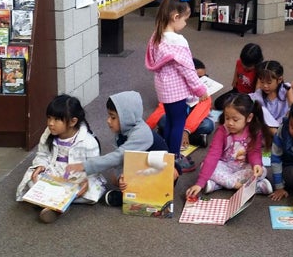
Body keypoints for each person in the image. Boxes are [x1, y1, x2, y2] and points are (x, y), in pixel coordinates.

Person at [64, 91, 179, 207]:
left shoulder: (142, 134)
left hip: (163, 171)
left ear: (127, 117)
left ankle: (134, 197)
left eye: (113, 117)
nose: (108, 121)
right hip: (143, 166)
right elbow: (122, 161)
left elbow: (118, 156)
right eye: (109, 116)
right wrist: (121, 177)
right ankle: (135, 193)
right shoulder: (122, 132)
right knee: (116, 179)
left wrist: (85, 165)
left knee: (153, 187)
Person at [15, 94, 107, 223]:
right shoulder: (48, 133)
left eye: (56, 119)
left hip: (76, 175)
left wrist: (86, 180)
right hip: (54, 171)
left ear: (73, 121)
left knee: (92, 189)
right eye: (49, 118)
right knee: (32, 177)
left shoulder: (88, 141)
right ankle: (59, 203)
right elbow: (42, 154)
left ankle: (49, 202)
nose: (50, 123)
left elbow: (94, 166)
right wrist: (40, 165)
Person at [145, 0, 208, 172]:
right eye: (185, 19)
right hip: (176, 91)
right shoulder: (177, 41)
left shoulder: (156, 36)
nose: (185, 23)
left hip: (163, 89)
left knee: (171, 121)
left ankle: (167, 154)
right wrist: (200, 90)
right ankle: (173, 160)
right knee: (178, 125)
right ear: (175, 16)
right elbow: (188, 70)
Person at [185, 93, 273, 197]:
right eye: (227, 118)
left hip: (243, 167)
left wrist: (256, 164)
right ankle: (247, 187)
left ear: (249, 117)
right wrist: (200, 183)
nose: (230, 123)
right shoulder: (222, 131)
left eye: (235, 120)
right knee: (205, 165)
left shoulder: (254, 131)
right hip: (224, 166)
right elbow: (213, 156)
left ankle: (219, 184)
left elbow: (254, 152)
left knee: (262, 171)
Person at [146, 58, 215, 149]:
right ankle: (195, 139)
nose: (200, 81)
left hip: (192, 123)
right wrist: (145, 129)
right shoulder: (175, 88)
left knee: (208, 125)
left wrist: (186, 131)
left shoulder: (204, 93)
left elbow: (198, 113)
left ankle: (168, 134)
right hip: (177, 119)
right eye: (197, 78)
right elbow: (161, 110)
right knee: (163, 119)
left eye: (204, 77)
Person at [249, 60, 293, 150]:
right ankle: (278, 139)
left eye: (269, 83)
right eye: (262, 82)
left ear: (279, 79)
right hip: (266, 126)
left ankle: (276, 139)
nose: (265, 86)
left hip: (282, 123)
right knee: (260, 110)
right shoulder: (259, 93)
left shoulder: (286, 88)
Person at [213, 43, 263, 110]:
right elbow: (236, 75)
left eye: (249, 66)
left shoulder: (259, 71)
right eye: (243, 64)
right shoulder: (239, 62)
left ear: (257, 63)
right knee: (218, 103)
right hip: (237, 91)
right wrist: (234, 83)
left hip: (248, 97)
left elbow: (257, 94)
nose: (244, 67)